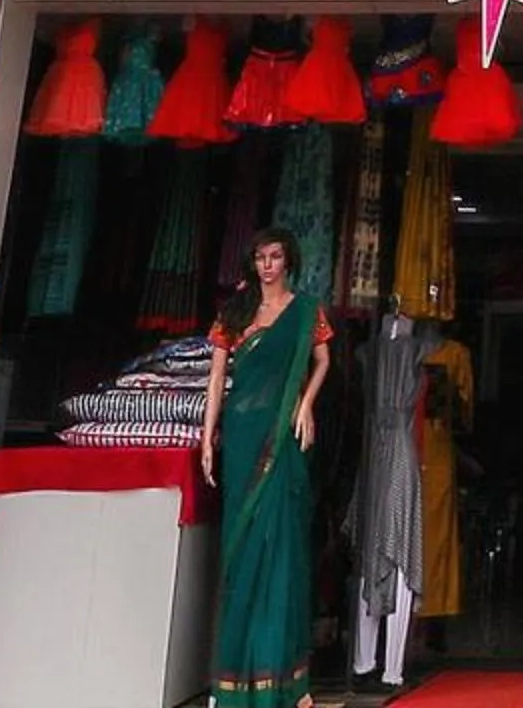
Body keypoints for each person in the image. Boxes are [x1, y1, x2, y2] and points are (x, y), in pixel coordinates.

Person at [200, 229, 334, 708]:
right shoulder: (235, 312)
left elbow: (323, 360)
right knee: (243, 548)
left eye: (276, 257)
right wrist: (206, 436)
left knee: (282, 548)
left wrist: (305, 404)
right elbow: (217, 377)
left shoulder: (306, 311)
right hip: (241, 436)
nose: (268, 265)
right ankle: (233, 681)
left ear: (288, 261)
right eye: (260, 257)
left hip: (284, 436)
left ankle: (286, 680)